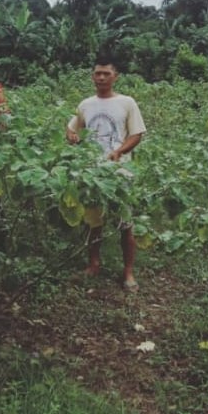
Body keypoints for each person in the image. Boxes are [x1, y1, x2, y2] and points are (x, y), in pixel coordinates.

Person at [66, 56, 146, 292]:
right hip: (92, 173)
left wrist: (118, 151)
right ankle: (93, 264)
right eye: (97, 73)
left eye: (106, 74)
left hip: (120, 173)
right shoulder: (86, 104)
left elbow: (136, 134)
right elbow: (72, 127)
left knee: (125, 223)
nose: (101, 77)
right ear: (92, 76)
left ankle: (128, 272)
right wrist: (71, 136)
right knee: (94, 223)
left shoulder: (127, 102)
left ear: (115, 77)